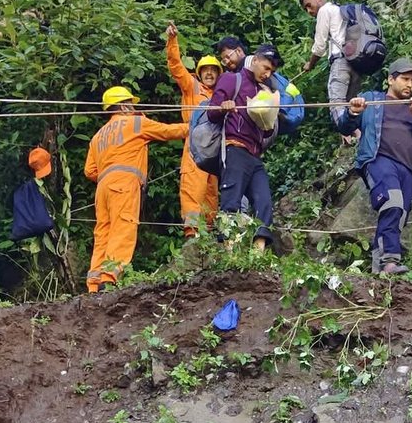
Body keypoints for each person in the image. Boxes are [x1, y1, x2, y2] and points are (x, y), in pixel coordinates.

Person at [335, 58, 412, 276]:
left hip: (408, 169)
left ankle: (378, 270)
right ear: (391, 79)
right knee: (392, 202)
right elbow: (344, 126)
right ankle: (390, 261)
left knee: (398, 214)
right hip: (378, 160)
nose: (410, 84)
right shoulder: (373, 99)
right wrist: (352, 112)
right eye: (405, 79)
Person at [81, 87, 188, 291]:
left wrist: (109, 173)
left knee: (103, 232)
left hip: (103, 188)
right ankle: (109, 277)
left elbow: (89, 171)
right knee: (123, 228)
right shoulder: (135, 123)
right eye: (131, 103)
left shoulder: (97, 136)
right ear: (123, 105)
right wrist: (195, 127)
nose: (134, 107)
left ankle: (93, 285)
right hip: (124, 183)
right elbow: (168, 131)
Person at [207, 45, 281, 254]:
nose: (267, 74)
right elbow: (212, 113)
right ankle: (230, 254)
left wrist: (268, 120)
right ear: (255, 60)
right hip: (235, 147)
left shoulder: (263, 91)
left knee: (263, 201)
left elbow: (266, 133)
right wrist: (224, 107)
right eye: (265, 68)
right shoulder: (232, 79)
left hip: (255, 154)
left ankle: (257, 254)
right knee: (231, 200)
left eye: (271, 72)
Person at [164, 23, 221, 238]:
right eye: (205, 71)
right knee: (192, 186)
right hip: (195, 141)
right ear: (199, 73)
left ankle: (210, 231)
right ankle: (192, 232)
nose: (209, 74)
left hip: (214, 146)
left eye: (213, 71)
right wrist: (172, 41)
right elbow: (176, 66)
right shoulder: (192, 86)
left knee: (211, 191)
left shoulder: (221, 94)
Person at [299, 0, 356, 130]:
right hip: (356, 62)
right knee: (351, 105)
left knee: (336, 104)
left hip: (341, 61)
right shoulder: (338, 10)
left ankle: (353, 133)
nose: (309, 11)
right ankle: (354, 137)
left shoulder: (325, 10)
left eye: (308, 5)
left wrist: (310, 64)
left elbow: (319, 46)